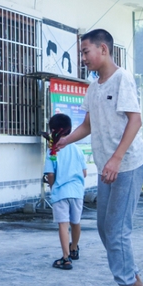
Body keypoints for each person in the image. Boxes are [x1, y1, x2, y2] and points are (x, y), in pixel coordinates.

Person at [55, 29, 143, 286]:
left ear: (104, 50)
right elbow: (88, 124)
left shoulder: (122, 79)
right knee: (104, 227)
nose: (82, 58)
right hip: (109, 166)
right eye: (81, 53)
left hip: (128, 164)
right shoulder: (94, 86)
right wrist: (65, 141)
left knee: (118, 230)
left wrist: (117, 159)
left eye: (86, 52)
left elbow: (135, 121)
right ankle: (134, 284)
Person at [43, 113, 87, 270]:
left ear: (53, 131)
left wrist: (52, 186)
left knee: (63, 224)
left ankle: (66, 258)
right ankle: (74, 248)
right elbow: (84, 173)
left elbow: (50, 175)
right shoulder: (78, 150)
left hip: (60, 192)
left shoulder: (53, 151)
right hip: (76, 192)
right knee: (76, 222)